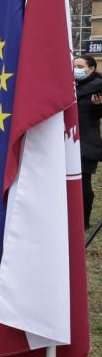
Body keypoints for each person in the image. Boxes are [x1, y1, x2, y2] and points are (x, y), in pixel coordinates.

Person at [74, 55, 102, 229]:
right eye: (74, 65)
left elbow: (97, 115)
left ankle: (83, 221)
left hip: (87, 142)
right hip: (70, 140)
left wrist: (98, 106)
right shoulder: (73, 86)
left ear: (91, 68)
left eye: (80, 66)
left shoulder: (97, 87)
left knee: (84, 183)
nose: (76, 69)